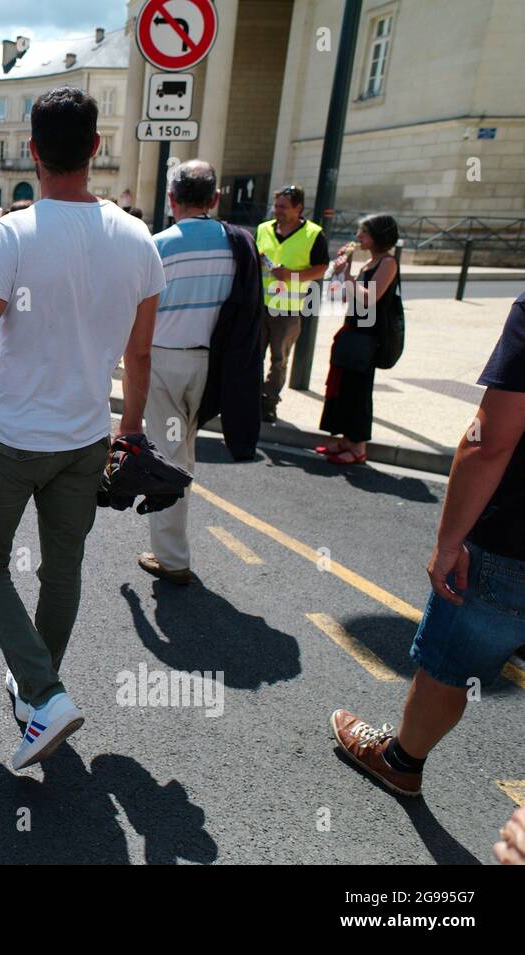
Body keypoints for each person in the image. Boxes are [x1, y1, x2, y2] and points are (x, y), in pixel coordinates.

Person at [0, 87, 164, 771]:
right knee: (62, 568)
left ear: (34, 151)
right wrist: (131, 432)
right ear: (96, 148)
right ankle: (38, 688)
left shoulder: (14, 233)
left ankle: (43, 694)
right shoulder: (138, 239)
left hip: (14, 434)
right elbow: (140, 356)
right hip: (87, 436)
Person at [331, 290, 525, 798]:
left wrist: (449, 542)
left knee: (450, 666)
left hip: (513, 543)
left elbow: (489, 441)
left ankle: (401, 760)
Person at [137, 160, 237, 586]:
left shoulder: (157, 245)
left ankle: (172, 558)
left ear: (171, 199)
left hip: (165, 359)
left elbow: (137, 310)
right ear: (215, 198)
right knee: (184, 449)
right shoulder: (238, 244)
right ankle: (172, 549)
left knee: (166, 454)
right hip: (213, 362)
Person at [317, 214, 401, 466]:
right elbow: (342, 297)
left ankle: (358, 447)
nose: (358, 237)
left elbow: (369, 298)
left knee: (359, 391)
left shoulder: (388, 263)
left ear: (377, 236)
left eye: (363, 232)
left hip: (369, 336)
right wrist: (341, 271)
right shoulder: (369, 263)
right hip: (353, 331)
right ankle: (347, 440)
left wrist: (348, 275)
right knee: (344, 388)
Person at [257, 184, 328, 422]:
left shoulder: (313, 234)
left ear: (298, 208)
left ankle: (269, 400)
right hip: (260, 305)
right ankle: (252, 396)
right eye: (276, 205)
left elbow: (321, 268)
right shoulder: (264, 229)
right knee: (253, 355)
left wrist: (291, 275)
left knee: (279, 359)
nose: (277, 210)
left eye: (283, 207)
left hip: (288, 309)